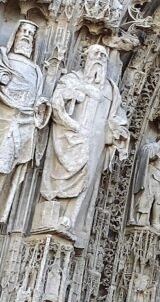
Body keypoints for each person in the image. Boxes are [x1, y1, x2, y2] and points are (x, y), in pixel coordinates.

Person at [38, 44, 128, 240]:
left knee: (87, 180)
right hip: (72, 137)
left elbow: (117, 116)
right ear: (85, 57)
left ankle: (71, 218)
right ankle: (53, 215)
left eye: (104, 56)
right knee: (63, 174)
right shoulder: (72, 79)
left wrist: (119, 131)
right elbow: (57, 103)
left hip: (95, 142)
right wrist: (72, 124)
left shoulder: (111, 89)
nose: (100, 58)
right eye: (96, 54)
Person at [0, 20, 48, 224]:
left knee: (7, 166)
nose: (27, 36)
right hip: (6, 117)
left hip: (25, 121)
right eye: (24, 31)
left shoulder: (36, 70)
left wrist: (41, 106)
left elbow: (36, 97)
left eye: (31, 33)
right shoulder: (4, 58)